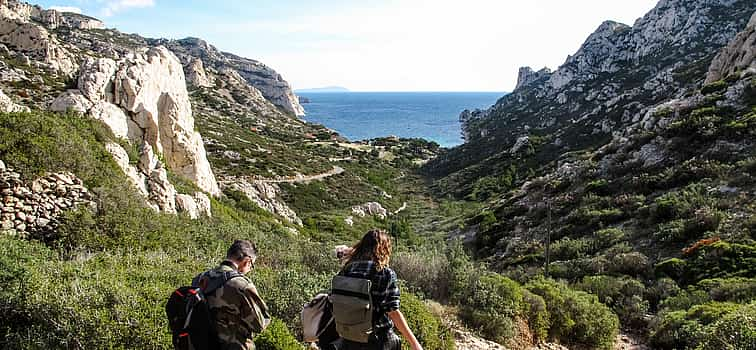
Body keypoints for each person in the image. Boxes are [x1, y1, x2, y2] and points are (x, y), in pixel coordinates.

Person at [331, 229, 423, 350]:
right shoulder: (384, 273)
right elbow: (393, 312)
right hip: (377, 340)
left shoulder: (346, 270)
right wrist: (415, 344)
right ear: (384, 249)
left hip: (348, 338)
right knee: (394, 341)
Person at [193, 239, 271, 350]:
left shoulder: (200, 278)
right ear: (247, 261)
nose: (250, 269)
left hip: (198, 344)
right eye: (251, 266)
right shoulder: (242, 285)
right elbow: (259, 325)